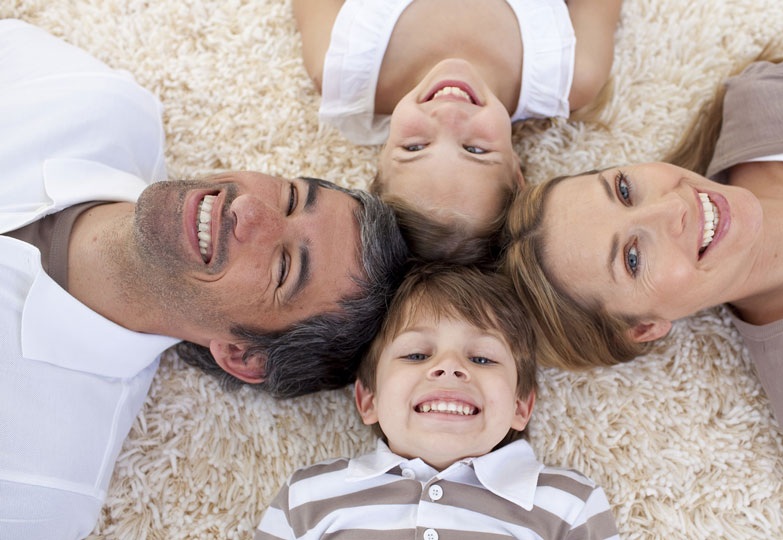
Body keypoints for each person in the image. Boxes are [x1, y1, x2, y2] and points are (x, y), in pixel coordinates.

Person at [502, 23, 783, 532]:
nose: (672, 206)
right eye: (632, 258)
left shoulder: (770, 103)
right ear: (646, 328)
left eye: (626, 189)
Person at [0, 20, 408, 540]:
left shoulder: (41, 484)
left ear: (242, 355)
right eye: (288, 195)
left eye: (284, 267)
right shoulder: (101, 105)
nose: (251, 211)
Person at [254, 265, 620, 540]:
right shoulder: (309, 496)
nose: (449, 368)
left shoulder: (567, 504)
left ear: (521, 406)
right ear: (369, 400)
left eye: (482, 358)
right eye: (416, 355)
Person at [293, 0, 622, 262]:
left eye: (415, 147)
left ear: (380, 160)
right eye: (475, 149)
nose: (448, 115)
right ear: (516, 171)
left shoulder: (340, 65)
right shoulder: (572, 74)